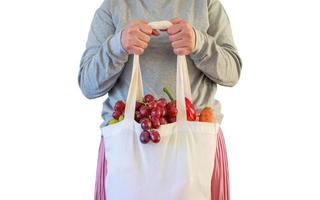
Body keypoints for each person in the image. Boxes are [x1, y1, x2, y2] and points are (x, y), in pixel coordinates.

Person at [78, 0, 242, 199]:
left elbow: (231, 73)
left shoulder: (206, 4)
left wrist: (200, 43)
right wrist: (118, 44)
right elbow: (88, 85)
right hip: (128, 148)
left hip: (195, 148)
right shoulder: (114, 5)